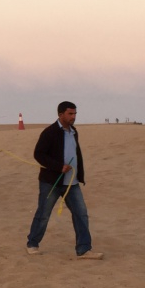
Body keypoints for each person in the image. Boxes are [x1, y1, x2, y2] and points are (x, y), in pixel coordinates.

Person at [26, 101, 102, 259]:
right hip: (52, 182)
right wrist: (58, 166)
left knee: (81, 214)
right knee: (43, 214)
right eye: (70, 114)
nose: (73, 117)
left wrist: (79, 175)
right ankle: (32, 243)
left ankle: (83, 249)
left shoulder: (73, 132)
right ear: (60, 114)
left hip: (72, 184)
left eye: (75, 114)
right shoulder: (50, 132)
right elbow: (39, 154)